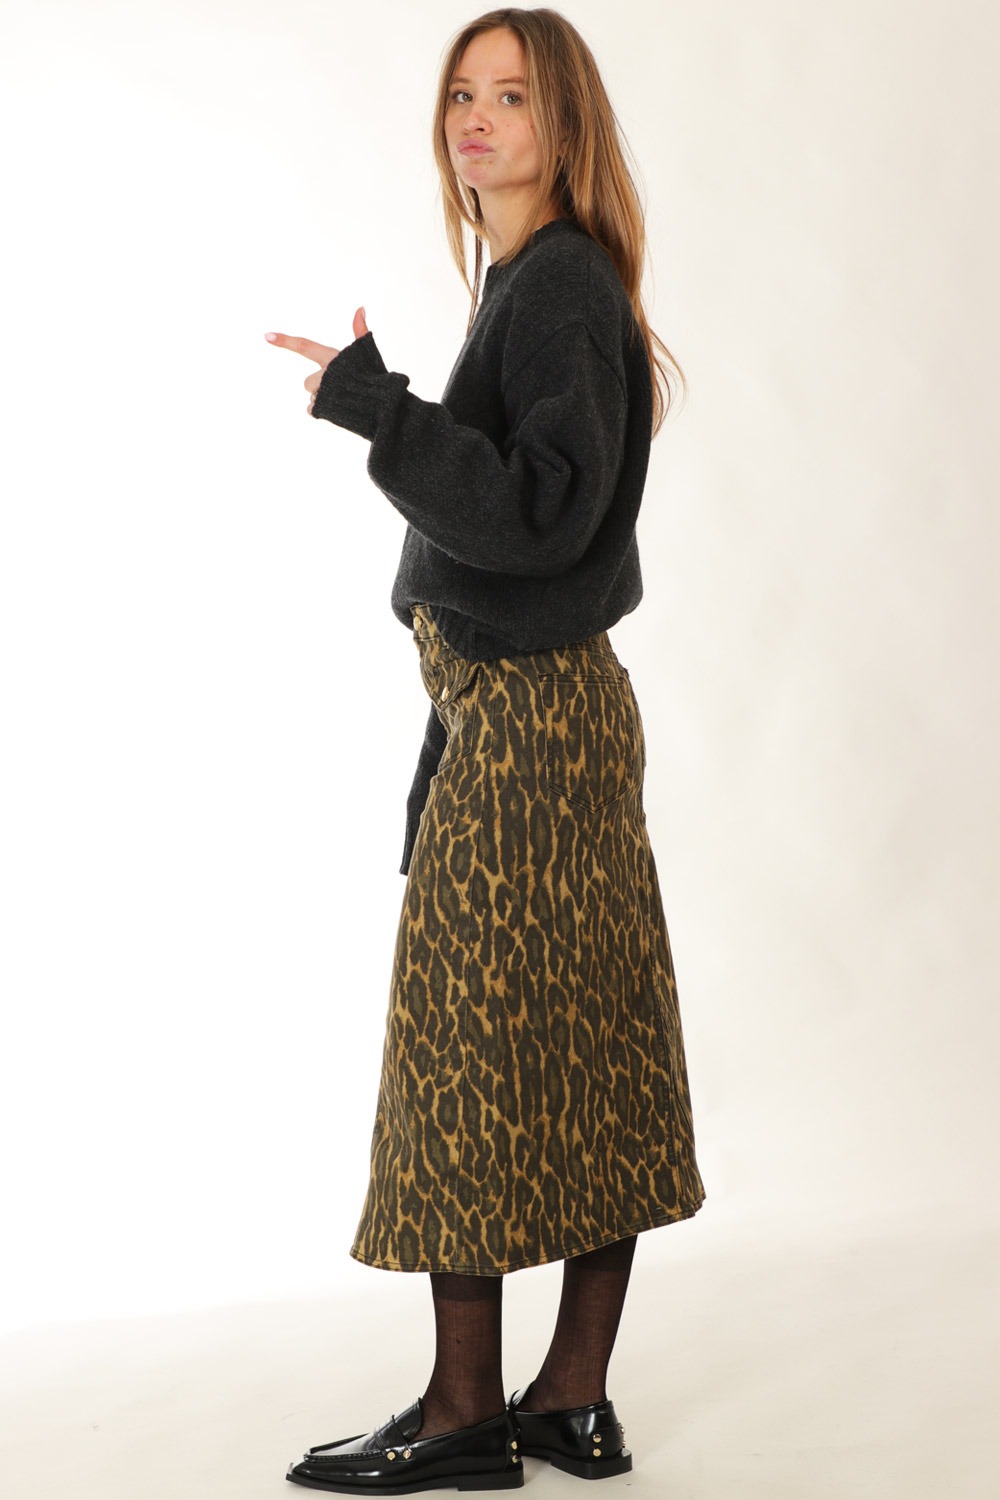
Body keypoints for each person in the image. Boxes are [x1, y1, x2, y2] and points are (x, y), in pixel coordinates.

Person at [266, 7, 706, 1492]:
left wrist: (376, 411)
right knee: (587, 1039)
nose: (476, 117)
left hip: (529, 724)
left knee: (468, 1048)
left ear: (562, 122)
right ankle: (568, 1402)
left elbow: (542, 513)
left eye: (511, 95)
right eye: (463, 92)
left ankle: (467, 1416)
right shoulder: (533, 279)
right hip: (536, 715)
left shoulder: (560, 280)